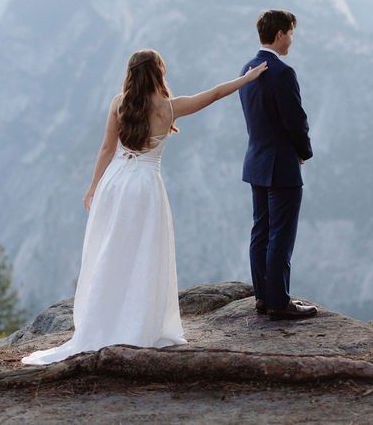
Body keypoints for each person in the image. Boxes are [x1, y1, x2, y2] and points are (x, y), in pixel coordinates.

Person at [22, 48, 267, 365]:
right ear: (158, 73)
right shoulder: (169, 108)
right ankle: (137, 323)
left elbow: (107, 148)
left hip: (114, 184)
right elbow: (215, 94)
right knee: (143, 255)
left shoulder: (119, 103)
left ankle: (103, 318)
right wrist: (246, 79)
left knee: (110, 252)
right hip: (144, 188)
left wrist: (94, 186)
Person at [239, 9, 316, 321]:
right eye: (291, 34)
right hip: (281, 165)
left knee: (261, 231)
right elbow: (295, 120)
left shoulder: (247, 68)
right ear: (281, 33)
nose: (292, 41)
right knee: (281, 236)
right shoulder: (282, 73)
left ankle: (262, 296)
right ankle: (278, 302)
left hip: (256, 162)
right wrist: (304, 151)